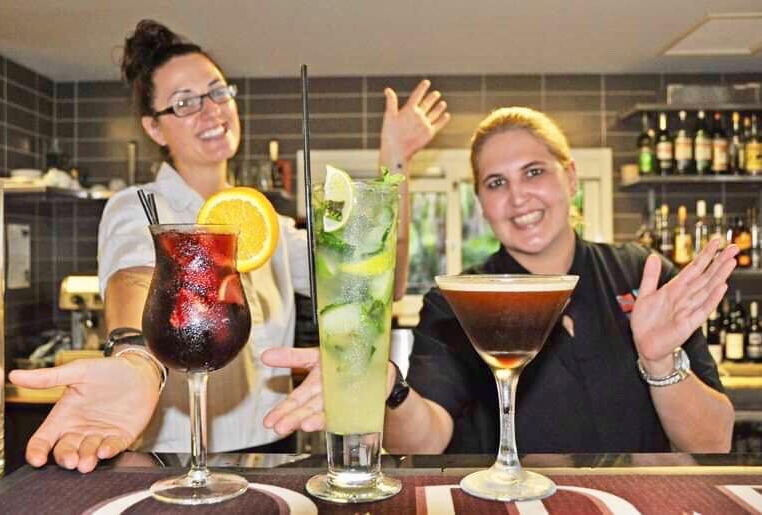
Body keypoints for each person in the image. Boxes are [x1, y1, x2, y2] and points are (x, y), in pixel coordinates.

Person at [8, 19, 450, 473]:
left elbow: (382, 281)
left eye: (218, 92)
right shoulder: (140, 205)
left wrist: (396, 161)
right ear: (154, 129)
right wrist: (136, 356)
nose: (212, 110)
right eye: (185, 103)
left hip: (274, 456)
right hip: (172, 462)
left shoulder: (268, 225)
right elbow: (135, 276)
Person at [262, 106, 737, 455]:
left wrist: (658, 360)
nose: (518, 197)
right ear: (481, 203)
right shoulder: (458, 300)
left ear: (571, 177)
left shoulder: (642, 274)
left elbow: (713, 442)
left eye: (534, 172)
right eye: (496, 183)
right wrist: (389, 389)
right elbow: (427, 440)